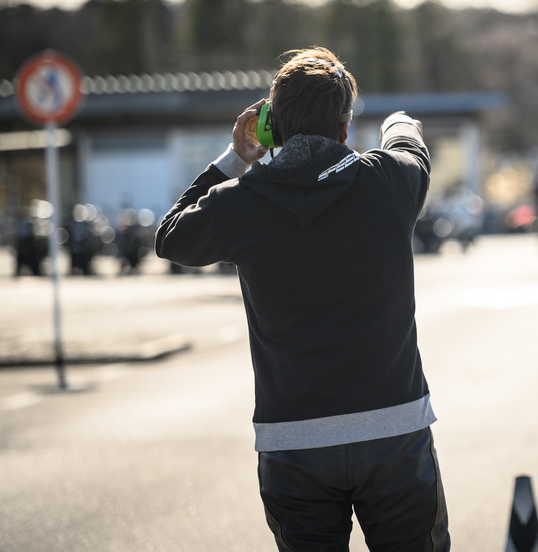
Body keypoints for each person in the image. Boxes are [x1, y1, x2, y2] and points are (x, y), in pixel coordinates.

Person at [155, 47, 449, 551]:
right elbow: (410, 147)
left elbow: (170, 237)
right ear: (344, 129)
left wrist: (235, 158)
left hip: (293, 445)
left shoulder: (239, 204)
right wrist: (398, 121)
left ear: (271, 126)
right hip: (394, 435)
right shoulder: (388, 182)